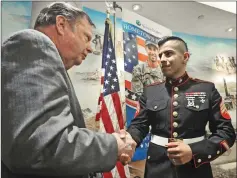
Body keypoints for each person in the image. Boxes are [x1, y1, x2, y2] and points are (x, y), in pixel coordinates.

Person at [1, 2, 136, 178]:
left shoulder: (47, 62)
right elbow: (40, 147)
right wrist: (113, 145)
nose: (91, 47)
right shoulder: (33, 43)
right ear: (61, 24)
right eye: (86, 37)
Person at [127, 36, 236, 178]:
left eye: (169, 53)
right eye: (161, 55)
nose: (162, 59)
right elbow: (138, 125)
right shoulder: (150, 91)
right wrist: (128, 140)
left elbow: (226, 132)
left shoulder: (206, 89)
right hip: (157, 169)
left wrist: (194, 151)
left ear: (185, 57)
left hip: (195, 170)